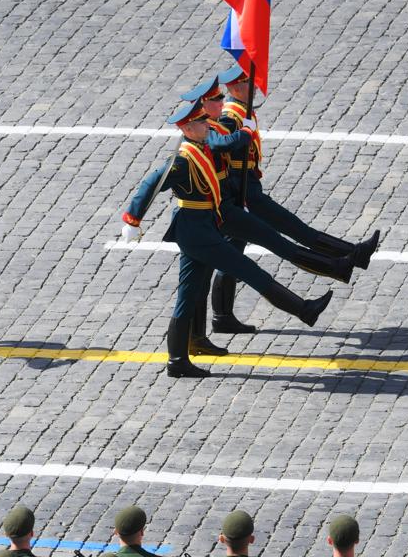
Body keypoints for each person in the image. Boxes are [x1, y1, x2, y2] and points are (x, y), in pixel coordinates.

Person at [121, 97, 331, 378]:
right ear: (186, 129)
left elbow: (224, 148)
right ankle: (305, 310)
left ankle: (176, 360)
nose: (204, 125)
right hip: (197, 232)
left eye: (202, 120)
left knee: (187, 295)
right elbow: (150, 183)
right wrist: (133, 220)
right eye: (197, 122)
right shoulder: (182, 161)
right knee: (250, 271)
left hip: (202, 227)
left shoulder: (202, 147)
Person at [203, 63, 380, 338]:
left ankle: (222, 316)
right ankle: (349, 259)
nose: (253, 85)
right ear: (235, 88)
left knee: (234, 255)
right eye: (247, 82)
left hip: (249, 189)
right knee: (293, 231)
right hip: (245, 193)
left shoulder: (241, 111)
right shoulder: (231, 117)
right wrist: (243, 138)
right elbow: (225, 151)